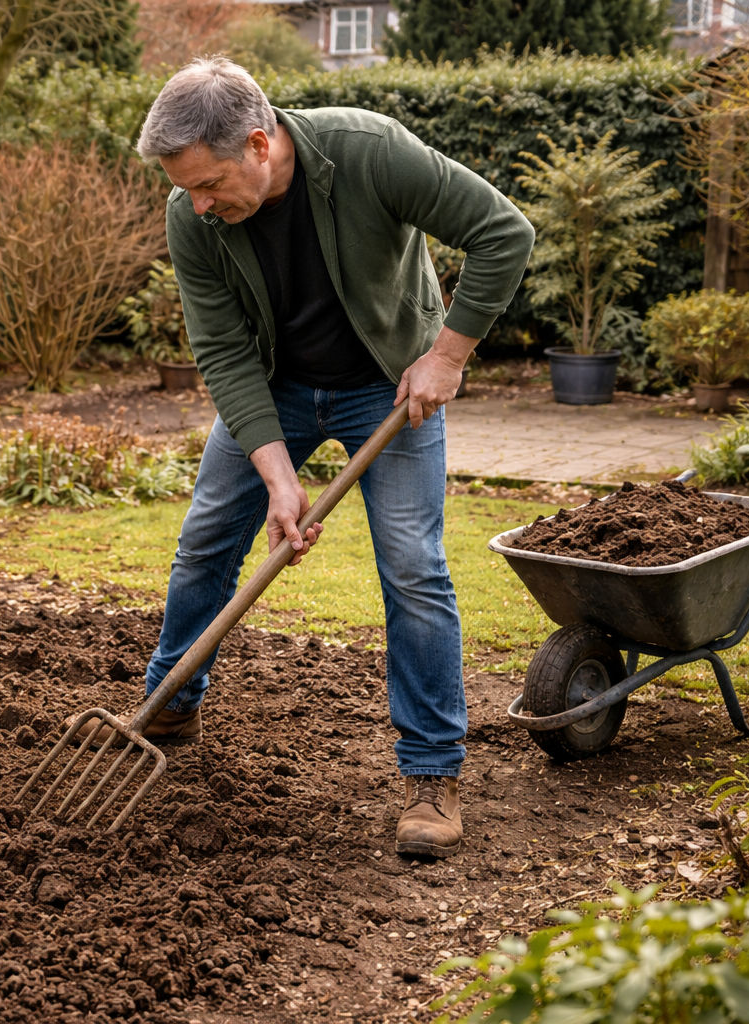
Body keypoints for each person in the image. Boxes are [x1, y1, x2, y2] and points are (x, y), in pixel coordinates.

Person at [125, 57, 534, 858]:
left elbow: (503, 232)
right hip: (275, 388)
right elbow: (220, 348)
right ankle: (169, 701)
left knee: (413, 565)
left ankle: (431, 773)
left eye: (209, 184)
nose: (198, 203)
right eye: (187, 190)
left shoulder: (370, 151)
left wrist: (448, 354)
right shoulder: (192, 213)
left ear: (258, 142)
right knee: (208, 538)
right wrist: (278, 476)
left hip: (388, 385)